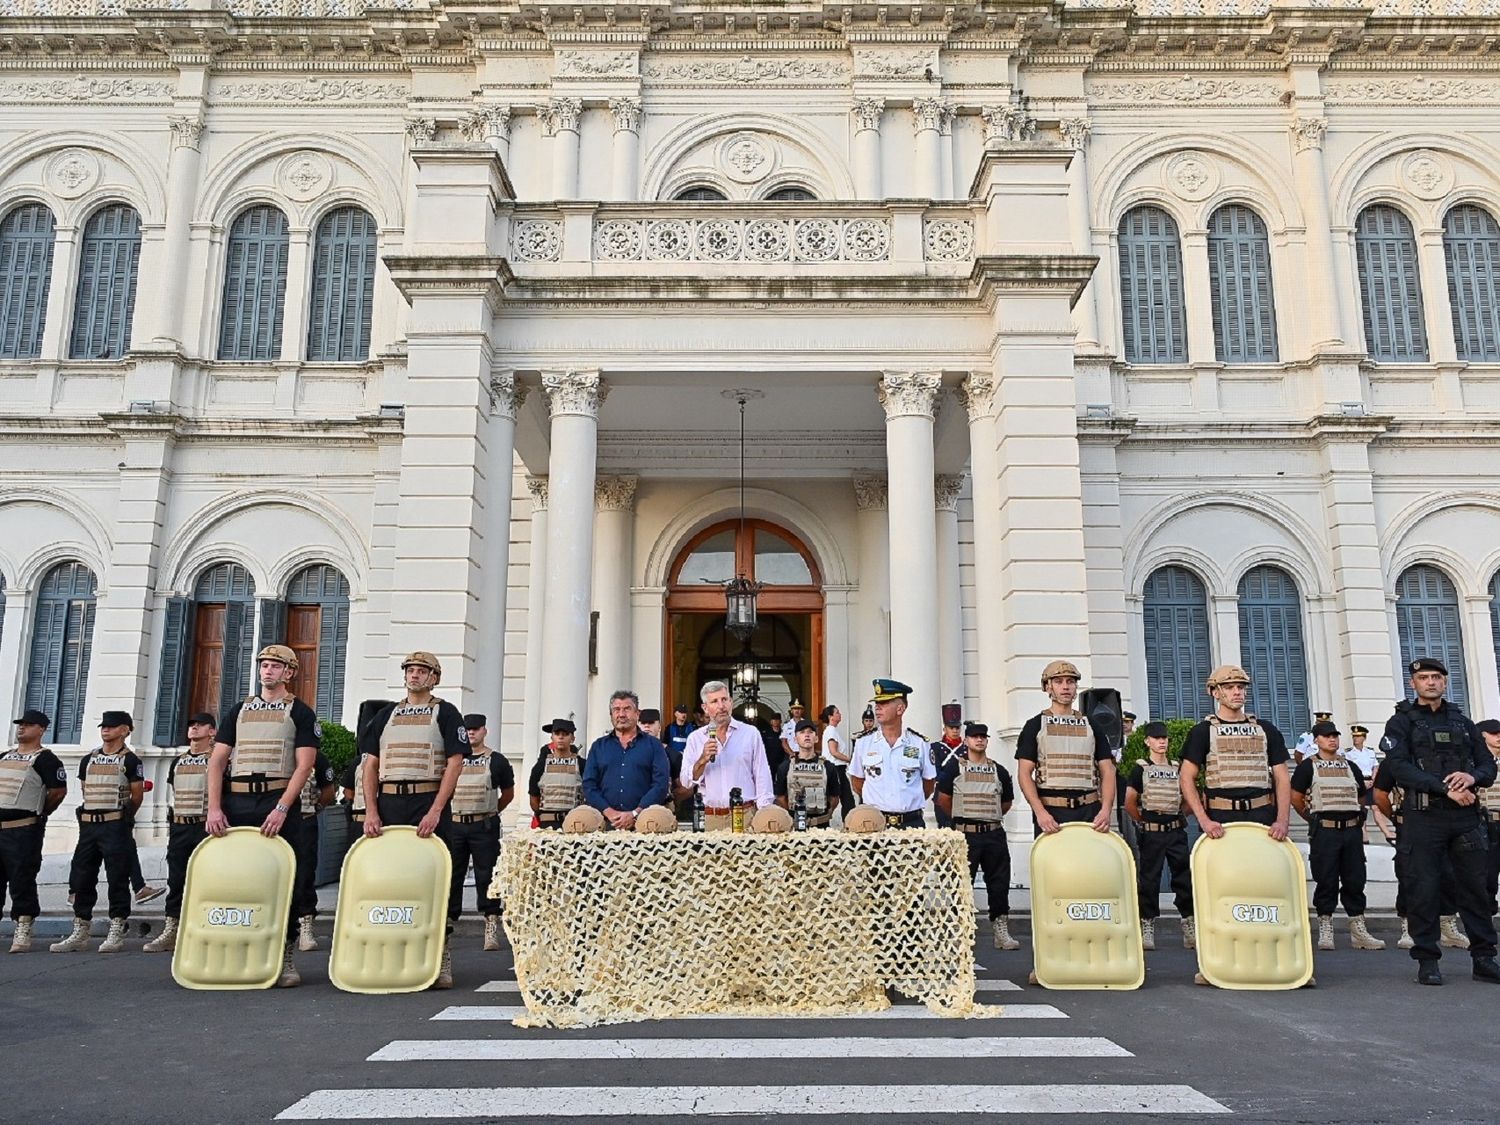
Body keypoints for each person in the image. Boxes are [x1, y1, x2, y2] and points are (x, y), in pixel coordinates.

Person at [204, 644, 320, 986]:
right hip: (238, 801)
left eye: (275, 666)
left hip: (277, 798)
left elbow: (305, 765)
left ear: (289, 672)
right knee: (238, 879)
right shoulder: (239, 710)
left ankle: (283, 955)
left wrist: (283, 807)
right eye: (264, 665)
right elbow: (218, 760)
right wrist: (214, 806)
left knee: (282, 879)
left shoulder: (300, 712)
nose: (267, 671)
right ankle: (239, 951)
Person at [1381, 657, 1499, 985]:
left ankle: (1485, 958)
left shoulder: (1462, 722)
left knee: (1476, 887)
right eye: (1424, 677)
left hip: (1464, 817)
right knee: (1424, 888)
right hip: (1423, 816)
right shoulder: (1401, 723)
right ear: (1413, 683)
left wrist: (1471, 776)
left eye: (1436, 677)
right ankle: (1428, 960)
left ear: (1445, 682)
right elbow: (1398, 767)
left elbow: (1488, 765)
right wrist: (1445, 788)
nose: (1431, 682)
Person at [359, 651, 468, 989]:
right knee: (390, 878)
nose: (415, 675)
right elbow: (371, 764)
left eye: (423, 671)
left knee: (435, 876)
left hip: (427, 798)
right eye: (410, 670)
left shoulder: (447, 713)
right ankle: (392, 952)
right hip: (390, 801)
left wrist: (436, 809)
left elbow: (455, 763)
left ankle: (441, 952)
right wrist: (371, 810)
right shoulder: (386, 715)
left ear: (435, 678)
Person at [51, 711, 145, 954]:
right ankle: (81, 929)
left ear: (125, 730)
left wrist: (123, 818)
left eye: (113, 727)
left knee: (117, 877)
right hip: (89, 826)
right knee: (82, 877)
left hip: (115, 824)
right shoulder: (88, 759)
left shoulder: (131, 761)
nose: (106, 730)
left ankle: (116, 928)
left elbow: (136, 797)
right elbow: (85, 789)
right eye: (104, 726)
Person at [1290, 720, 1384, 952]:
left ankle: (1358, 930)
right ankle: (1325, 927)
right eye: (1326, 736)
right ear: (1316, 740)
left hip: (1351, 830)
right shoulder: (1307, 767)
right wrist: (1312, 819)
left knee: (1355, 880)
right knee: (1326, 879)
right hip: (1325, 830)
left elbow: (1361, 797)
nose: (1332, 739)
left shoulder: (1350, 766)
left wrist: (1356, 817)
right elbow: (1296, 797)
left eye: (1334, 735)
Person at [1179, 665, 1292, 841]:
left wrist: (1282, 821)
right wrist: (1204, 821)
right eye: (1229, 687)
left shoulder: (1266, 729)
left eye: (1240, 687)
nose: (1237, 692)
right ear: (1215, 693)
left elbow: (1282, 777)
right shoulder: (1203, 732)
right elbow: (1186, 777)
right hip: (1220, 819)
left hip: (1262, 816)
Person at [936, 721, 1018, 950]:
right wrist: (961, 819)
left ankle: (1001, 931)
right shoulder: (955, 768)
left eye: (983, 736)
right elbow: (943, 799)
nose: (979, 740)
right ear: (966, 741)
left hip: (993, 834)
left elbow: (1007, 802)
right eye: (974, 737)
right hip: (966, 835)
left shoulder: (999, 770)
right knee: (961, 884)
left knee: (999, 884)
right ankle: (958, 932)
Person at [142, 713, 218, 954]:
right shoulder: (179, 761)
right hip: (180, 826)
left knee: (208, 881)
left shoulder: (218, 760)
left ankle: (207, 929)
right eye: (191, 724)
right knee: (176, 880)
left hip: (205, 826)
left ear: (212, 731)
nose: (193, 728)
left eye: (200, 724)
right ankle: (172, 929)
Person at [1014, 661, 1115, 835]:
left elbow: (1108, 770)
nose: (1066, 687)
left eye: (1070, 681)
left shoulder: (1091, 724)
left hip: (1089, 812)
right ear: (1047, 687)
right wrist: (1040, 812)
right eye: (1059, 682)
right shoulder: (1035, 725)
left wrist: (1105, 810)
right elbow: (1024, 773)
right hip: (1051, 814)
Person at [1124, 721, 1194, 952]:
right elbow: (1130, 802)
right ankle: (1147, 925)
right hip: (1152, 833)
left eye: (1164, 738)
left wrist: (1179, 814)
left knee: (1183, 879)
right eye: (1156, 738)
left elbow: (1190, 796)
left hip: (1175, 831)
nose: (1162, 741)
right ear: (1147, 741)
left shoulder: (1177, 767)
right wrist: (1143, 821)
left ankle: (1188, 924)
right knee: (1149, 880)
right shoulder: (1140, 769)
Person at [1, 710, 67, 953]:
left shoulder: (46, 760)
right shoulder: (4, 756)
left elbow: (57, 792)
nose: (22, 729)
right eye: (20, 724)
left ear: (41, 730)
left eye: (28, 725)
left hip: (23, 829)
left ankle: (23, 928)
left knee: (22, 880)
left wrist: (39, 814)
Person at [451, 715, 514, 953]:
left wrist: (492, 811)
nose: (471, 734)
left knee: (486, 876)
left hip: (483, 825)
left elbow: (508, 793)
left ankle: (490, 924)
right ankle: (449, 922)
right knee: (453, 874)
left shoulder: (496, 760)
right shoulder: (453, 759)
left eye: (475, 730)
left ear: (484, 731)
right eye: (467, 730)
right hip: (455, 823)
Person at [684, 680, 775, 829]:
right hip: (710, 817)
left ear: (731, 702)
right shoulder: (696, 738)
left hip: (745, 815)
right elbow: (686, 781)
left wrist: (764, 811)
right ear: (705, 708)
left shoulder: (750, 733)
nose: (721, 706)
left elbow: (761, 773)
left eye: (724, 699)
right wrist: (702, 760)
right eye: (714, 701)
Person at [849, 679, 935, 827]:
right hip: (874, 824)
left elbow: (928, 784)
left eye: (884, 703)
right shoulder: (863, 743)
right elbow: (857, 781)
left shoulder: (919, 743)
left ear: (900, 709)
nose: (877, 708)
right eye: (877, 703)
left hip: (911, 823)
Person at [581, 690, 670, 829]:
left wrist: (635, 813)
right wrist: (609, 812)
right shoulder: (598, 747)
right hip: (605, 824)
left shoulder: (654, 745)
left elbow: (660, 784)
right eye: (616, 710)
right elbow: (589, 785)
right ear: (611, 715)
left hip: (646, 825)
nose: (621, 714)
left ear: (637, 714)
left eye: (627, 709)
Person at [291, 747, 336, 953]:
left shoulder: (317, 757)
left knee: (305, 875)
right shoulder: (277, 752)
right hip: (275, 822)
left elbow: (328, 792)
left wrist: (315, 810)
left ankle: (306, 927)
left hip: (304, 820)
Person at [775, 719, 840, 827]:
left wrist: (824, 816)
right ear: (795, 739)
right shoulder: (785, 767)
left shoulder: (828, 767)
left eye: (810, 732)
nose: (807, 735)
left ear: (816, 738)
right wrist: (793, 816)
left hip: (821, 829)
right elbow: (780, 797)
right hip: (794, 828)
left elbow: (835, 797)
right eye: (802, 732)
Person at [529, 718, 584, 828]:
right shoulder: (540, 766)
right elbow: (534, 798)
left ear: (572, 738)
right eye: (557, 733)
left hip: (574, 824)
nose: (560, 737)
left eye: (565, 734)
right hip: (547, 824)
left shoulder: (582, 765)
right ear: (552, 737)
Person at [1343, 723, 1389, 845]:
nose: (1355, 739)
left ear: (1364, 738)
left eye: (1358, 737)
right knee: (1361, 809)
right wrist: (1361, 782)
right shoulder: (1348, 753)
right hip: (1357, 783)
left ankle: (1387, 833)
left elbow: (1375, 767)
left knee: (1376, 807)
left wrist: (1373, 780)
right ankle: (1364, 836)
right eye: (1354, 737)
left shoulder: (1370, 752)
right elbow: (1348, 770)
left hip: (1370, 782)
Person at [1477, 719, 1500, 917]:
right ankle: (1486, 915)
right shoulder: (1473, 764)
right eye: (1493, 733)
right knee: (1488, 875)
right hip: (1487, 823)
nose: (1499, 737)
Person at [930, 702, 965, 829]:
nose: (955, 731)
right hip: (943, 795)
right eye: (952, 728)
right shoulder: (936, 748)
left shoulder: (967, 748)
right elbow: (935, 772)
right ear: (945, 729)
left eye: (957, 728)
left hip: (963, 795)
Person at [819, 704, 854, 822]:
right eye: (837, 712)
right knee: (846, 799)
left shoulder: (833, 731)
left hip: (838, 768)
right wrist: (850, 759)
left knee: (843, 799)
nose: (840, 714)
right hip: (835, 768)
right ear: (831, 717)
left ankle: (848, 822)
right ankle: (849, 823)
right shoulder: (831, 731)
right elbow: (834, 752)